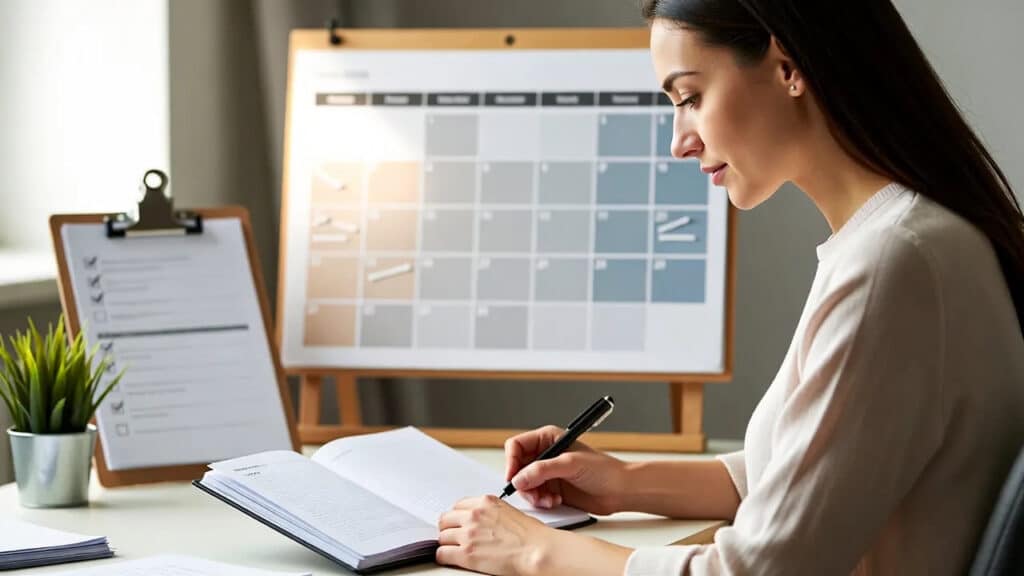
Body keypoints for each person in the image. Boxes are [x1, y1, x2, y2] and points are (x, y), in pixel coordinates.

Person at [434, 1, 1024, 574]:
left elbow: (762, 569)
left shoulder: (894, 262)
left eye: (690, 97)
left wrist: (534, 552)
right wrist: (625, 483)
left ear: (787, 67)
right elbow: (814, 474)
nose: (679, 140)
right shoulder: (907, 237)